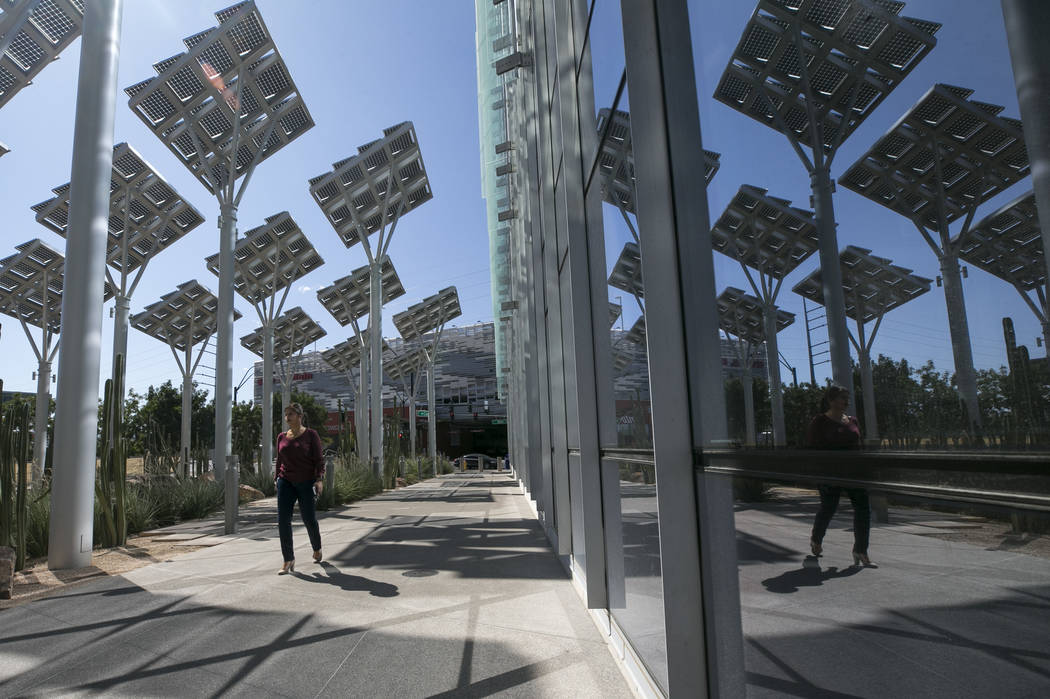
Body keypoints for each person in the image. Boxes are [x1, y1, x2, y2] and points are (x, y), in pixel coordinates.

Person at [807, 385, 873, 567]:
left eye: (847, 397)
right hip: (830, 472)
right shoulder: (819, 421)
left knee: (863, 509)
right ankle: (816, 539)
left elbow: (859, 446)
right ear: (831, 400)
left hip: (854, 472)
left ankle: (861, 550)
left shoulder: (853, 421)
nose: (846, 401)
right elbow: (812, 449)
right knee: (829, 507)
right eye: (842, 398)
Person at [274, 402, 325, 574]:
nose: (287, 417)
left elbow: (319, 459)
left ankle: (316, 548)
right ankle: (288, 559)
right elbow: (279, 460)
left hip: (305, 481)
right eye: (286, 414)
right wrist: (276, 479)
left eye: (291, 414)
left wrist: (319, 479)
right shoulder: (281, 437)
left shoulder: (311, 435)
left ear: (300, 416)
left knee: (309, 519)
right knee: (283, 521)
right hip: (285, 481)